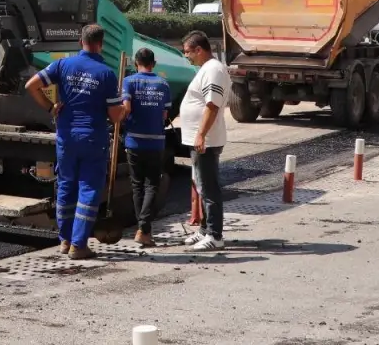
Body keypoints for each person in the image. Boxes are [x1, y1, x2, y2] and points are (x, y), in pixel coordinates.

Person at [24, 23, 127, 259]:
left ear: (81, 42)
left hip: (66, 138)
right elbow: (114, 115)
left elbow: (32, 85)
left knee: (66, 187)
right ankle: (79, 245)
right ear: (100, 45)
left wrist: (51, 107)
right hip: (93, 138)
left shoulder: (63, 64)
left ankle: (65, 240)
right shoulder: (106, 74)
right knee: (89, 189)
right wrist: (125, 109)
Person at [179, 31, 230, 251]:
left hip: (206, 140)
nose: (187, 57)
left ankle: (215, 235)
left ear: (199, 49)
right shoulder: (206, 69)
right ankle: (204, 229)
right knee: (201, 186)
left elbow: (212, 105)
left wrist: (200, 134)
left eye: (188, 52)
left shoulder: (213, 70)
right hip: (199, 139)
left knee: (209, 187)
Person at [121, 47, 171, 248]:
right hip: (156, 141)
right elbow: (165, 115)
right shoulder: (163, 84)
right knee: (152, 184)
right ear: (154, 64)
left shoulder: (129, 81)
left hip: (134, 140)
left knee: (137, 185)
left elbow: (126, 108)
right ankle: (144, 229)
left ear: (135, 63)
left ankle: (142, 228)